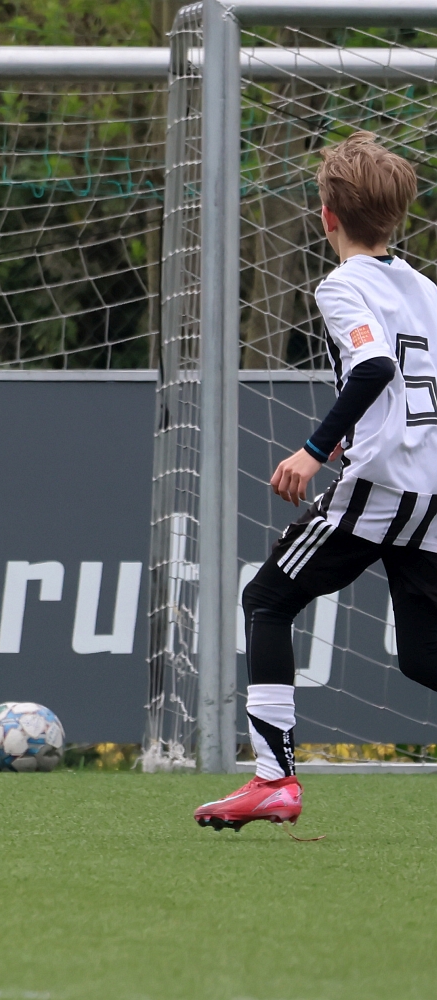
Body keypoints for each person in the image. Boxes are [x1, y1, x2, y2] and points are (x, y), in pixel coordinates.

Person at [196, 132, 437, 830]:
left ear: (325, 214)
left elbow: (374, 368)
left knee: (266, 599)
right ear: (399, 215)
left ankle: (274, 780)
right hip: (429, 489)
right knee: (423, 656)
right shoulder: (427, 291)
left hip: (382, 485)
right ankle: (272, 779)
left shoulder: (341, 285)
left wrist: (312, 450)